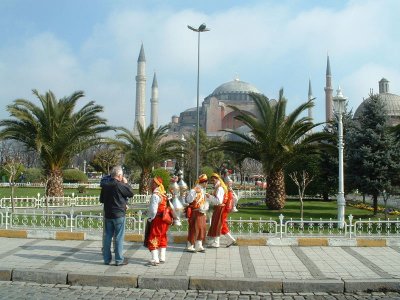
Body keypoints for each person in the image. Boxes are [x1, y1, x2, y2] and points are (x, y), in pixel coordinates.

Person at [99, 165, 133, 266]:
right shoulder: (119, 185)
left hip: (108, 214)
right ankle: (119, 260)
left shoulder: (105, 185)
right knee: (118, 237)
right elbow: (131, 193)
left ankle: (106, 259)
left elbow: (101, 199)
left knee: (108, 236)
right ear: (119, 175)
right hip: (118, 214)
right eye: (121, 175)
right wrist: (126, 183)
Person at [145, 176, 172, 266]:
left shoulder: (155, 195)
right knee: (162, 236)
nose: (150, 185)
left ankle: (155, 258)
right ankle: (162, 257)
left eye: (151, 183)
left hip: (157, 219)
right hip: (164, 220)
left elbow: (153, 210)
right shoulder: (163, 194)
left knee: (154, 237)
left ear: (154, 184)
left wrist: (150, 218)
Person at [206, 173, 236, 248]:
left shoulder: (219, 188)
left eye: (214, 179)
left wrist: (209, 197)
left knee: (217, 225)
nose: (213, 181)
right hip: (220, 208)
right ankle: (230, 240)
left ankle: (216, 242)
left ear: (217, 179)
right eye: (212, 180)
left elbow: (219, 201)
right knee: (221, 225)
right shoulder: (219, 187)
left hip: (220, 208)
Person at [185, 174, 209, 252]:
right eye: (206, 182)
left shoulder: (202, 190)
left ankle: (199, 245)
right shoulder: (194, 189)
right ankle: (190, 245)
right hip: (195, 212)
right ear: (203, 182)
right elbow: (189, 200)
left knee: (201, 228)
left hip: (201, 211)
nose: (207, 184)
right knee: (194, 229)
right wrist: (194, 191)